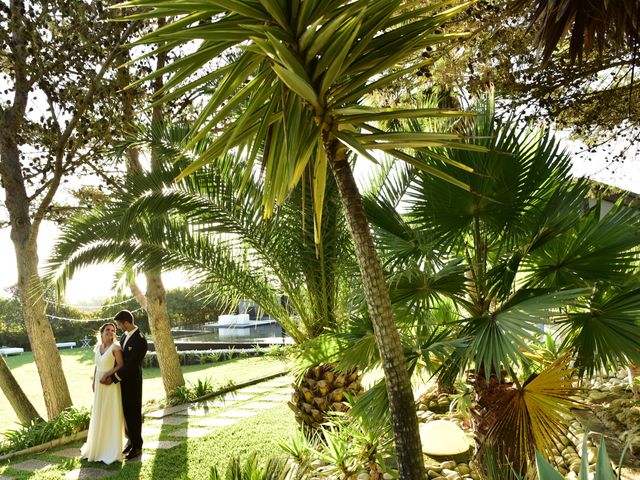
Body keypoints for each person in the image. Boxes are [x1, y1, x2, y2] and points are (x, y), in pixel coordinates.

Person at [104, 310, 148, 460]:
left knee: (134, 413)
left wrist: (115, 377)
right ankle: (130, 441)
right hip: (123, 382)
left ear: (126, 323)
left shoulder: (140, 340)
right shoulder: (124, 336)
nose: (118, 327)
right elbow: (120, 360)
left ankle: (137, 446)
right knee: (126, 413)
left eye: (119, 324)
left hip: (133, 382)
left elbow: (131, 365)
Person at [80, 322, 125, 464]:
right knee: (99, 413)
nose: (110, 332)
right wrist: (94, 381)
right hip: (99, 386)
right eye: (108, 330)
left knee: (110, 413)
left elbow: (120, 365)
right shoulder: (97, 348)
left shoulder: (116, 347)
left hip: (110, 385)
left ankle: (110, 448)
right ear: (101, 332)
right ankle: (97, 445)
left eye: (113, 330)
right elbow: (97, 365)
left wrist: (107, 375)